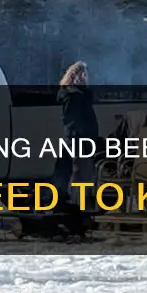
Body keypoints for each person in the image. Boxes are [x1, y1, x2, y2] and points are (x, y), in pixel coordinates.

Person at [52, 61, 98, 208]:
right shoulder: (74, 96)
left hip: (75, 138)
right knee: (81, 172)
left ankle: (73, 201)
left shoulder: (73, 94)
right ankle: (79, 203)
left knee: (75, 171)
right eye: (82, 73)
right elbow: (72, 119)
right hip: (79, 139)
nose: (85, 77)